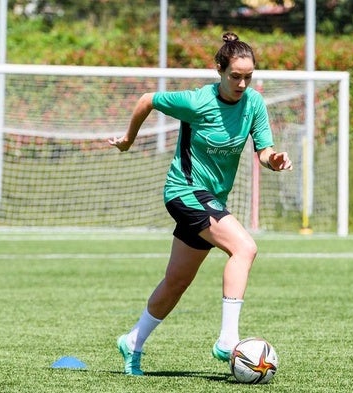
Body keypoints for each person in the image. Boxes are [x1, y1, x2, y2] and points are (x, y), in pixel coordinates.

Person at [108, 31, 292, 376]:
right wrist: (128, 141)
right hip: (184, 191)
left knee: (177, 281)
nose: (241, 83)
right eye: (235, 76)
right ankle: (227, 340)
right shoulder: (197, 101)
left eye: (248, 77)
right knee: (245, 248)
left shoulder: (254, 104)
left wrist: (274, 160)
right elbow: (148, 99)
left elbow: (263, 150)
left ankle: (133, 340)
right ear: (219, 71)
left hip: (210, 199)